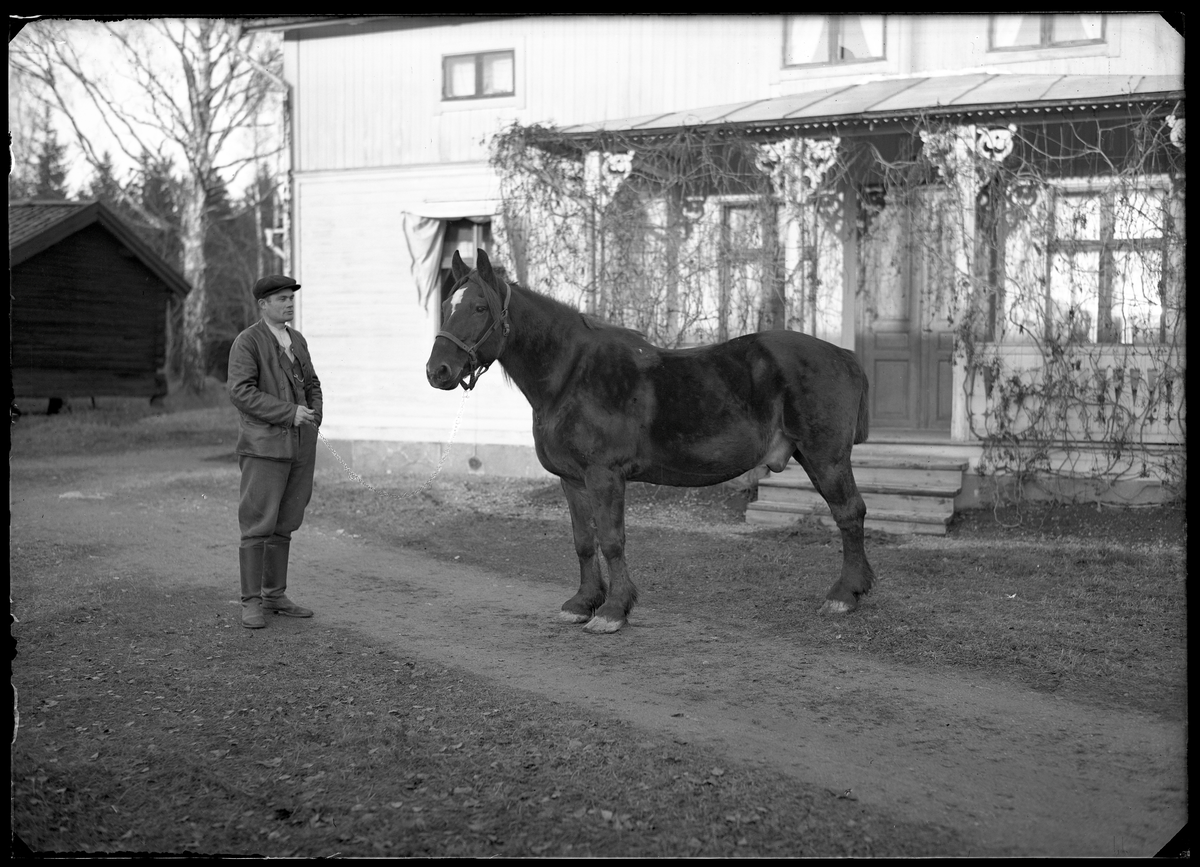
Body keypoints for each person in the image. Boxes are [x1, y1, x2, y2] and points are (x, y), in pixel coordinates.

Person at [228, 275, 323, 628]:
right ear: (263, 304)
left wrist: (314, 417)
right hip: (264, 447)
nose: (288, 304)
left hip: (300, 445)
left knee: (285, 522)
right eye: (281, 299)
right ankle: (251, 602)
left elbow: (313, 384)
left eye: (291, 298)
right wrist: (289, 413)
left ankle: (274, 595)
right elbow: (241, 392)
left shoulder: (297, 340)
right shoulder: (247, 342)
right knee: (258, 524)